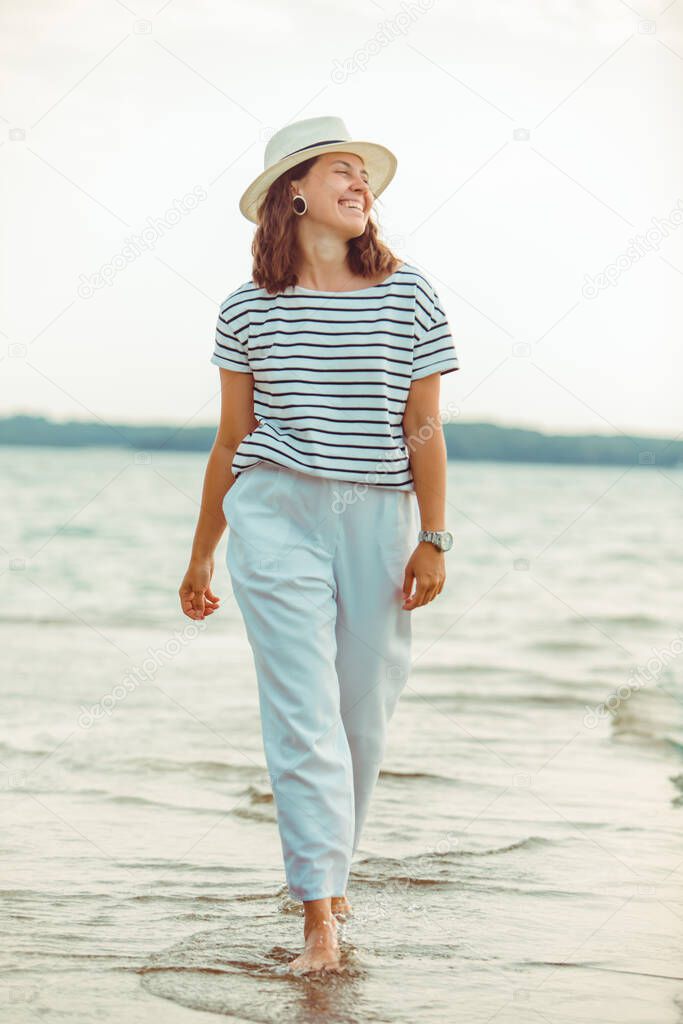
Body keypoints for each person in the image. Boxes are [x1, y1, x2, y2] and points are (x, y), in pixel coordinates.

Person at [179, 116, 459, 975]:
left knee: (360, 718)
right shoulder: (244, 309)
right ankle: (318, 924)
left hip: (377, 517)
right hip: (274, 515)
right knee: (303, 716)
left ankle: (332, 880)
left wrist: (435, 537)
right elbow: (232, 439)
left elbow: (422, 427)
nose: (359, 185)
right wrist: (201, 553)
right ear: (292, 191)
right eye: (343, 170)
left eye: (364, 177)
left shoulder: (408, 294)